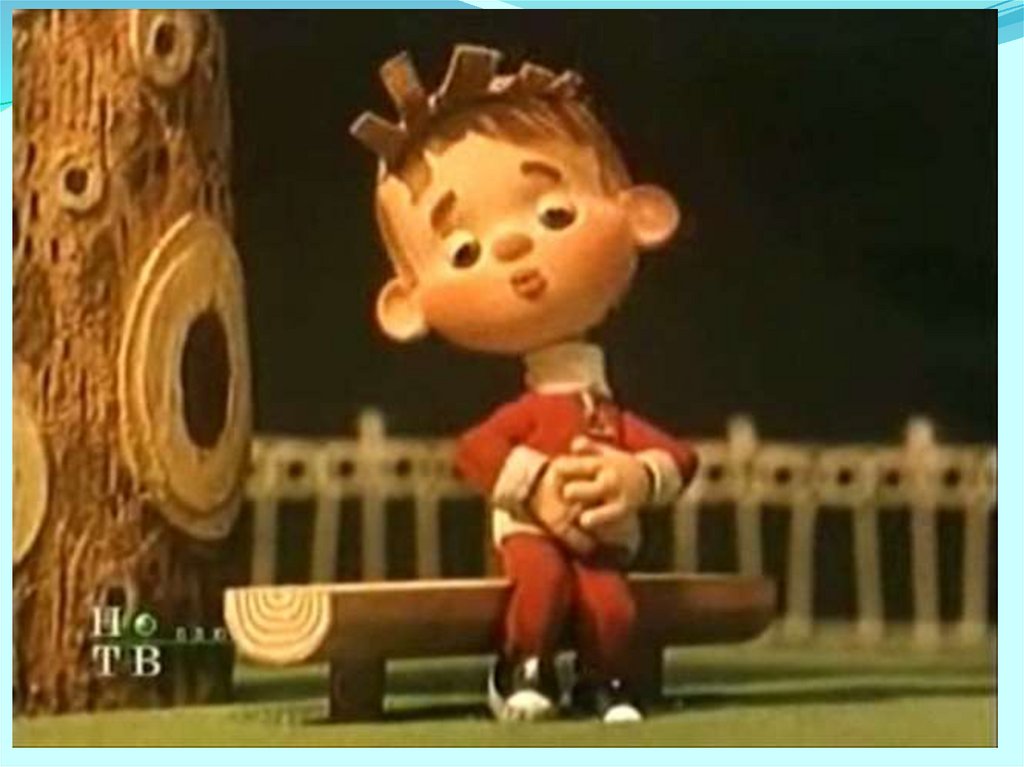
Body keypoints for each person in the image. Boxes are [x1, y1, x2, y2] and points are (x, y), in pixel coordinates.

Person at [351, 44, 698, 723]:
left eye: (554, 214)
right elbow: (476, 450)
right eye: (464, 250)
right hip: (532, 531)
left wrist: (635, 478)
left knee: (611, 604)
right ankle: (522, 668)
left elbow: (677, 456)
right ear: (407, 303)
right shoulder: (530, 413)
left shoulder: (602, 407)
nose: (512, 248)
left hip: (602, 538)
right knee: (538, 585)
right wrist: (536, 487)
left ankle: (607, 681)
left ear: (642, 213)